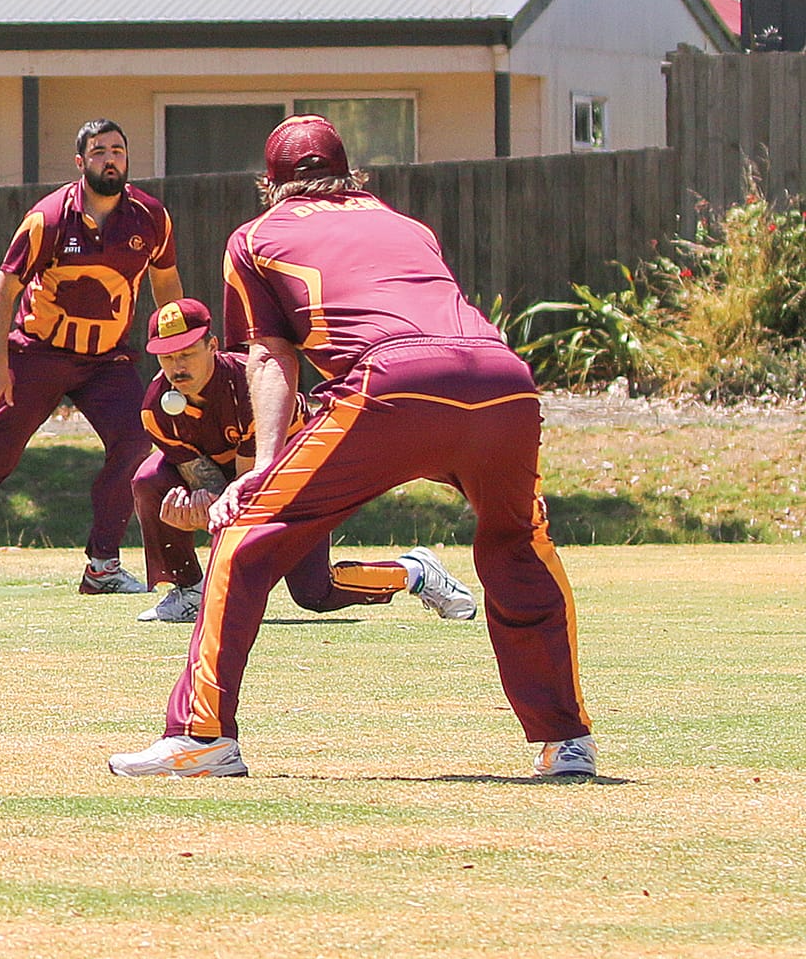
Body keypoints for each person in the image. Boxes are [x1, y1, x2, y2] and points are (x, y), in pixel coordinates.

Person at [110, 115, 593, 779]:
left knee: (246, 533)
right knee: (516, 543)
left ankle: (202, 734)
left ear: (270, 186)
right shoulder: (405, 224)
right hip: (502, 378)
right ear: (351, 175)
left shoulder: (254, 237)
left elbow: (271, 355)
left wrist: (265, 469)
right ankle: (565, 740)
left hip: (392, 380)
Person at [0, 119, 181, 599]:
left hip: (107, 359)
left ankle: (103, 565)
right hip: (39, 352)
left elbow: (168, 286)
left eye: (118, 150)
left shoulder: (151, 217)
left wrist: (177, 358)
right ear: (80, 162)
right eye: (98, 152)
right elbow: (3, 288)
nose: (110, 159)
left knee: (138, 439)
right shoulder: (49, 218)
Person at [129, 296, 476, 624]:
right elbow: (206, 482)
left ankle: (415, 572)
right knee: (150, 480)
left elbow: (252, 492)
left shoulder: (249, 389)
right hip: (240, 477)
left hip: (297, 469)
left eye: (187, 353)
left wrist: (209, 519)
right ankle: (190, 590)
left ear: (213, 346)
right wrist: (196, 512)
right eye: (167, 357)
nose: (178, 366)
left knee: (315, 593)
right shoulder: (154, 408)